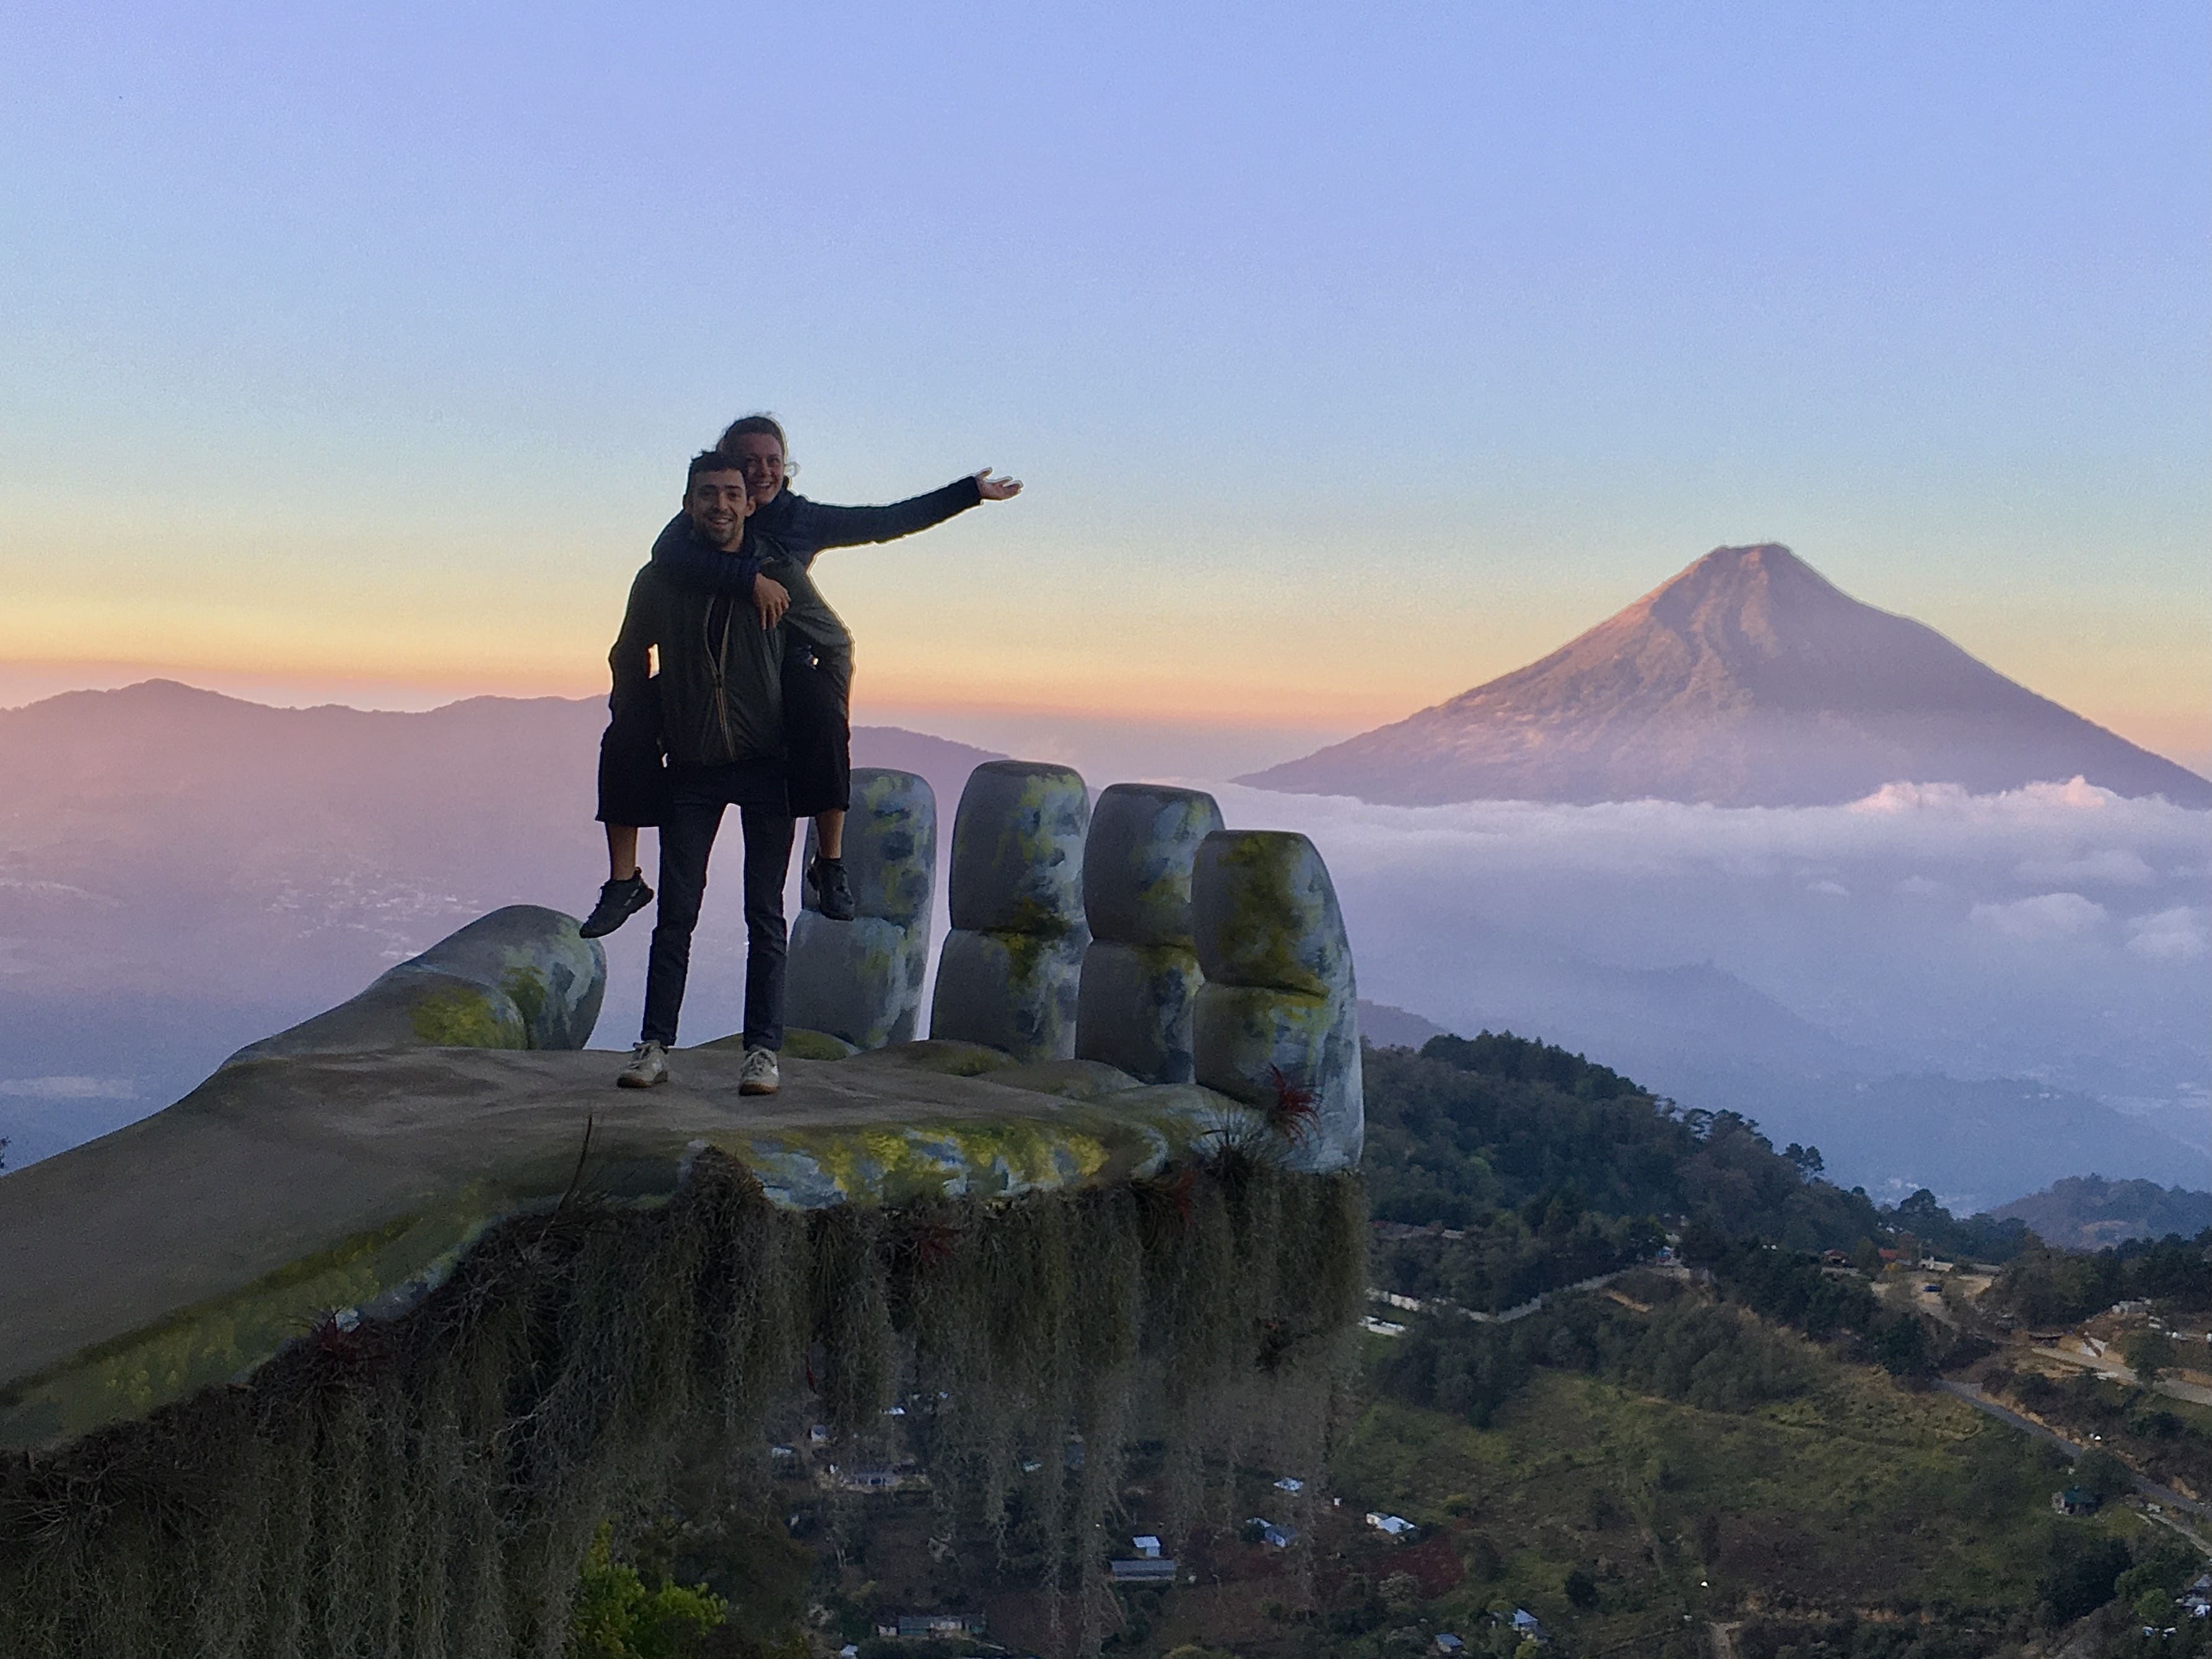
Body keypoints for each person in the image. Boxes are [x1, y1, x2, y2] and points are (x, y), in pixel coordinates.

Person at [578, 414, 1021, 935]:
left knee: (822, 718)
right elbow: (666, 556)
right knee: (625, 730)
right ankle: (623, 880)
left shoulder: (801, 520)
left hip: (778, 664)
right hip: (698, 669)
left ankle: (829, 863)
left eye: (772, 461)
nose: (761, 472)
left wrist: (966, 492)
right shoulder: (705, 511)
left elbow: (885, 521)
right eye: (750, 462)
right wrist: (748, 579)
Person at [608, 452, 795, 1094]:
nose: (720, 504)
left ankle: (762, 1051)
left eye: (731, 494)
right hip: (690, 765)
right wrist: (637, 725)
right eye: (707, 494)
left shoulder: (778, 572)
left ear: (749, 503)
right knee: (677, 913)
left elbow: (828, 642)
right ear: (688, 504)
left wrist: (814, 723)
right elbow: (627, 651)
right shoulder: (659, 581)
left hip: (767, 764)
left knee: (764, 913)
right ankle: (654, 1043)